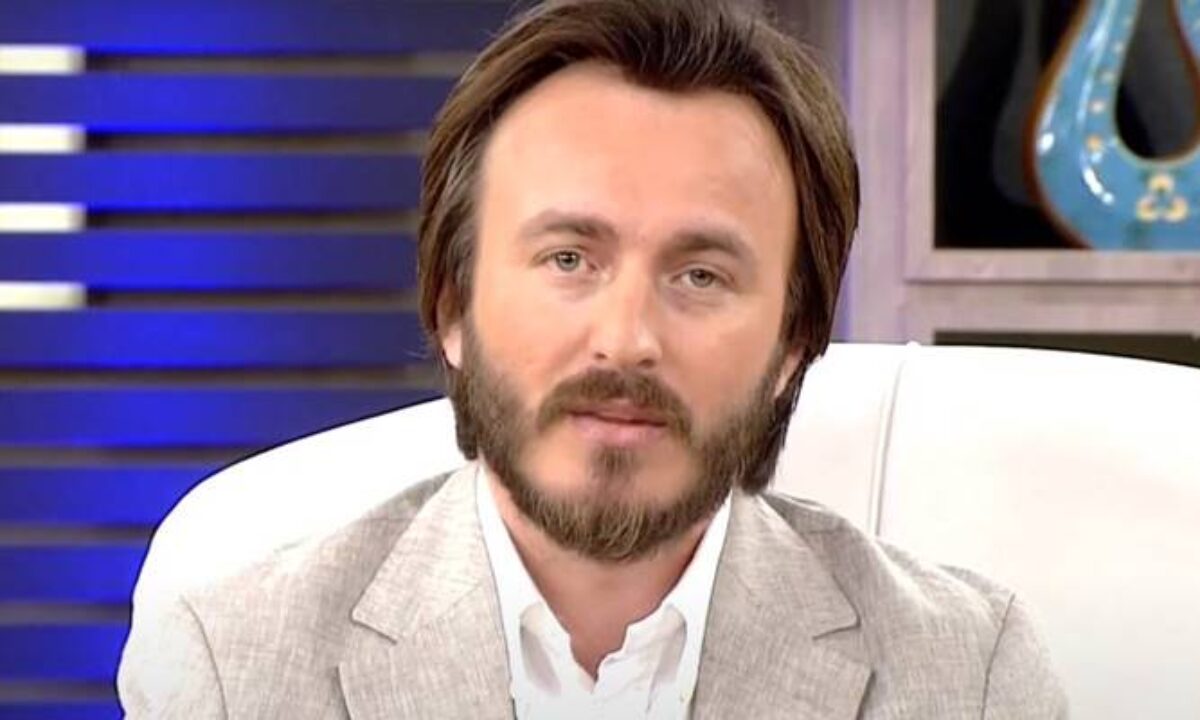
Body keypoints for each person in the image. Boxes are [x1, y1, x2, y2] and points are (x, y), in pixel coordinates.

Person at [118, 0, 1067, 717]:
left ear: (792, 344)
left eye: (700, 275)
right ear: (451, 306)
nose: (626, 338)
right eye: (569, 259)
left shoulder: (964, 675)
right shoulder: (234, 668)